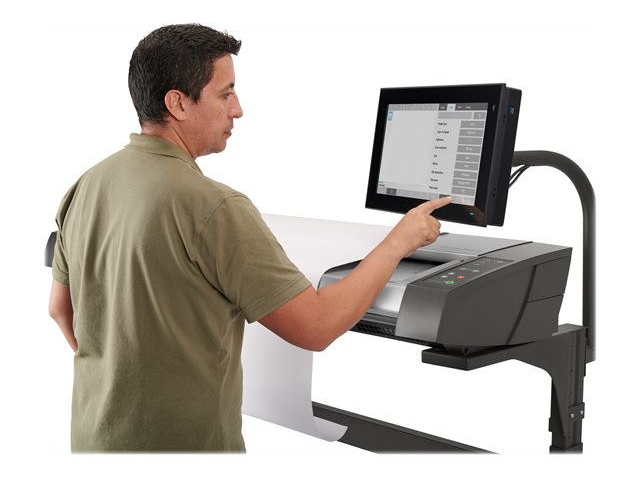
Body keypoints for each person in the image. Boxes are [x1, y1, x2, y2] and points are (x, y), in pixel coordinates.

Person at [48, 23, 451, 453]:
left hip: (95, 442)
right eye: (225, 94)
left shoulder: (86, 186)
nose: (237, 110)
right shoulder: (212, 206)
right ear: (177, 103)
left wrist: (121, 371)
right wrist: (397, 242)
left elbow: (59, 309)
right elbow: (316, 327)